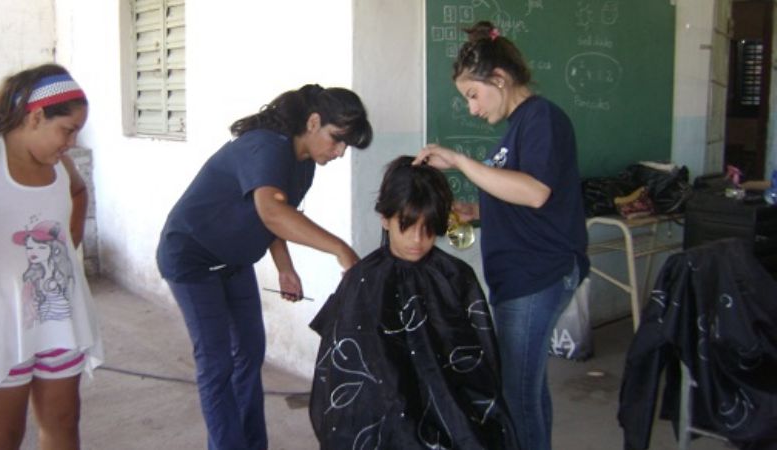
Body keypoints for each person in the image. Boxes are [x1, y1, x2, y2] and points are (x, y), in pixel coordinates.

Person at [156, 84, 373, 450]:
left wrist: (285, 268)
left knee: (251, 352)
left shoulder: (303, 165)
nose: (339, 152)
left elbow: (275, 217)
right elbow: (272, 213)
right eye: (337, 140)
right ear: (314, 121)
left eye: (345, 146)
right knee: (217, 364)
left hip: (234, 260)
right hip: (191, 258)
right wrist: (341, 250)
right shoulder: (267, 145)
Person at [414, 21, 589, 450]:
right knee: (528, 389)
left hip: (537, 273)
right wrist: (476, 210)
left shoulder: (541, 118)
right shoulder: (518, 128)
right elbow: (516, 193)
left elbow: (534, 192)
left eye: (473, 95)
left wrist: (458, 159)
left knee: (515, 393)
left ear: (499, 79)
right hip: (519, 272)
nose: (472, 109)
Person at [309, 156, 518, 450]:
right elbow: (343, 368)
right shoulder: (362, 280)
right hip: (383, 413)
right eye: (406, 225)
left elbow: (478, 367)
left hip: (449, 412)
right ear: (385, 217)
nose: (417, 239)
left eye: (429, 227)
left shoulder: (455, 277)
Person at [0, 63, 103, 450]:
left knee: (64, 423)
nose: (71, 141)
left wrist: (69, 243)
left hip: (58, 313)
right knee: (2, 435)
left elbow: (78, 193)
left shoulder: (60, 165)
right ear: (35, 117)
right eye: (67, 130)